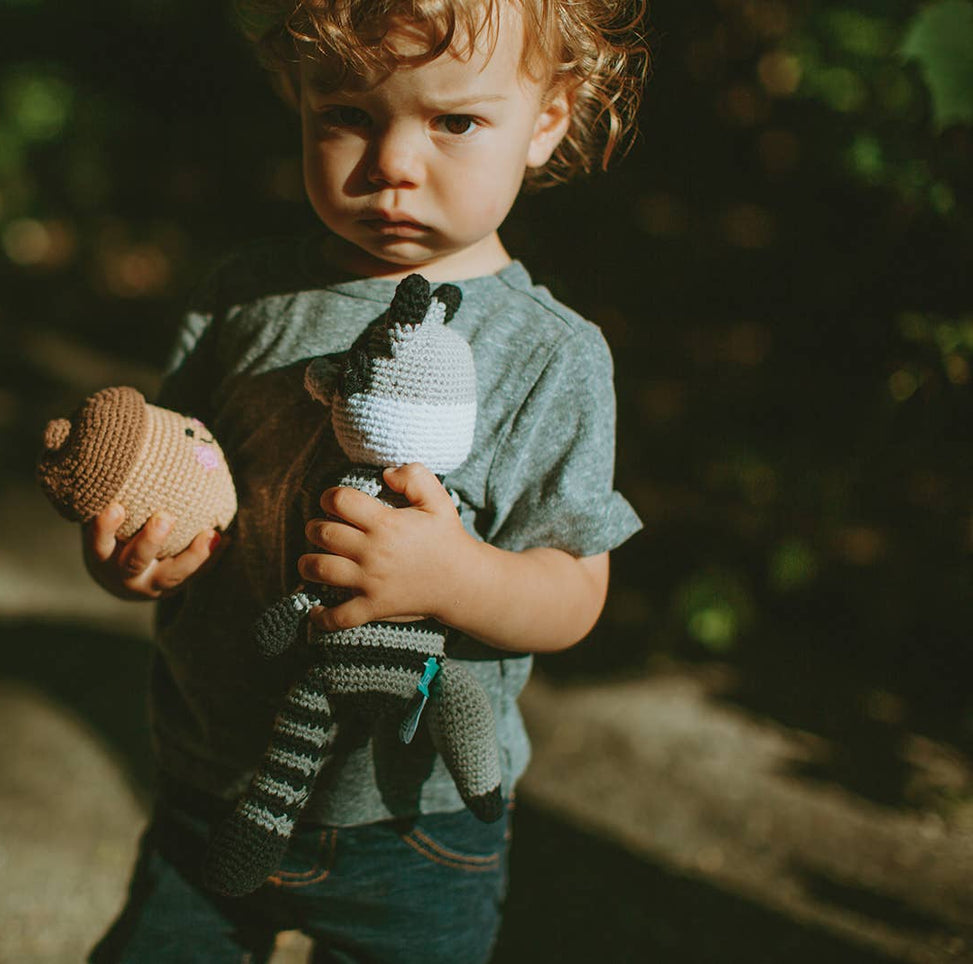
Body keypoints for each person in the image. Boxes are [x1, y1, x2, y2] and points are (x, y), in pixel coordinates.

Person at [85, 0, 647, 959]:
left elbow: (574, 591)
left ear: (546, 118)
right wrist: (135, 558)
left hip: (412, 821)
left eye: (454, 122)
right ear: (296, 97)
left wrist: (453, 578)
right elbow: (181, 485)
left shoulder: (550, 356)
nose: (391, 163)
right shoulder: (245, 298)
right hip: (213, 775)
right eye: (344, 114)